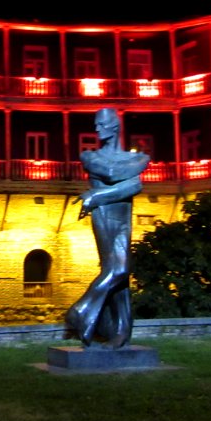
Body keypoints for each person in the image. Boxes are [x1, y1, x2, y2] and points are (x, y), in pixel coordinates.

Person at [65, 108, 150, 348]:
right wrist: (128, 186)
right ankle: (83, 312)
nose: (96, 129)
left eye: (101, 124)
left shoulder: (137, 159)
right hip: (104, 217)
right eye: (95, 124)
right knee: (118, 269)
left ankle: (119, 332)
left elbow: (136, 185)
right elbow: (115, 174)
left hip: (121, 216)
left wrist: (97, 196)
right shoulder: (90, 157)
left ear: (115, 126)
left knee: (119, 274)